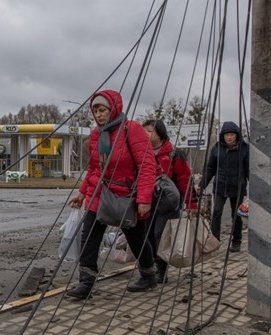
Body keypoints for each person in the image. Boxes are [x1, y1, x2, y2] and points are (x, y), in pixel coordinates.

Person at [67, 90, 159, 298]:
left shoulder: (132, 130)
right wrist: (82, 193)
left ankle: (148, 274)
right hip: (100, 193)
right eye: (95, 111)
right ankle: (86, 282)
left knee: (136, 239)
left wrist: (144, 198)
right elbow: (93, 169)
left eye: (103, 110)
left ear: (114, 108)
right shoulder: (96, 135)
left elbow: (147, 165)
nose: (99, 115)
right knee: (89, 236)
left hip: (127, 195)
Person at [142, 119, 198, 283]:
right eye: (144, 130)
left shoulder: (173, 153)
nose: (146, 134)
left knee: (161, 235)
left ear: (160, 133)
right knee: (147, 235)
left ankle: (162, 269)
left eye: (150, 130)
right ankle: (149, 268)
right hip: (146, 201)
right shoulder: (142, 153)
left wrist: (191, 203)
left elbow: (185, 180)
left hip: (168, 204)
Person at [196, 121, 249, 252]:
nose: (229, 137)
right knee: (217, 213)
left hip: (237, 187)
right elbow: (210, 168)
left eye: (232, 134)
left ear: (237, 135)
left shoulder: (244, 149)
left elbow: (248, 169)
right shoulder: (217, 148)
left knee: (235, 215)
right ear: (223, 136)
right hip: (220, 186)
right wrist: (202, 185)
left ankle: (236, 241)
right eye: (227, 135)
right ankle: (215, 240)